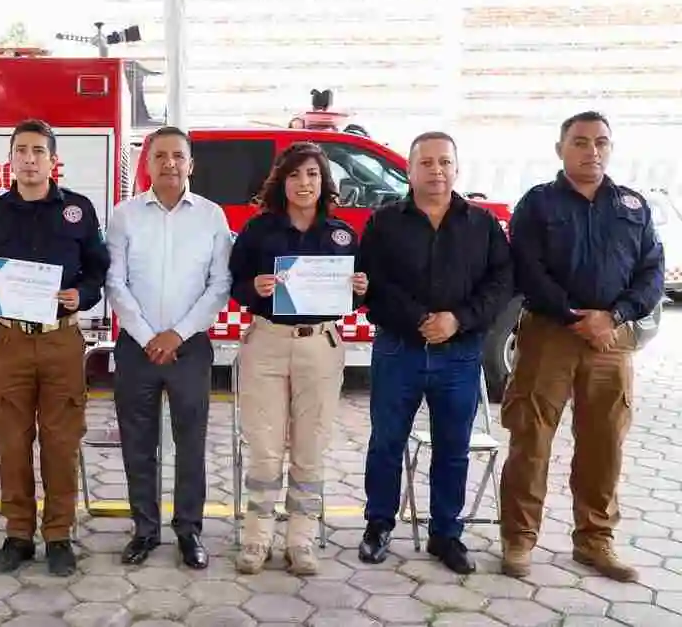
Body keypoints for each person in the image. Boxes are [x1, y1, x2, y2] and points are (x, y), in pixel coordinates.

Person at [498, 111, 663, 583]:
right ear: (561, 149)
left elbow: (652, 271)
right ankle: (519, 538)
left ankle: (595, 539)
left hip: (611, 338)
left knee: (604, 443)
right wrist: (574, 315)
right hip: (550, 334)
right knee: (531, 437)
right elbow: (526, 268)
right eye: (581, 142)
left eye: (601, 142)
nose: (592, 150)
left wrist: (613, 316)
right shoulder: (539, 203)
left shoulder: (632, 206)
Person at [356, 131, 513, 574]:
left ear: (457, 168)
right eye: (426, 163)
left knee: (452, 448)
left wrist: (457, 320)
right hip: (398, 349)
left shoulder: (481, 225)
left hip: (459, 356)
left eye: (444, 162)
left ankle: (446, 534)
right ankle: (378, 525)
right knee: (386, 442)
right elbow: (372, 283)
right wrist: (420, 320)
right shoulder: (384, 222)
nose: (436, 171)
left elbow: (501, 283)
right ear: (409, 170)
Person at [0, 118, 111, 577]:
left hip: (61, 339)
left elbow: (97, 270)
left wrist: (81, 296)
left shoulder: (78, 210)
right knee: (11, 439)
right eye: (21, 151)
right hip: (9, 338)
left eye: (38, 151)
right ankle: (17, 534)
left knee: (61, 440)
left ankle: (59, 534)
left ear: (53, 159)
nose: (29, 159)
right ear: (10, 158)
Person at [228, 142, 368, 575]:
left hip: (320, 347)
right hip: (266, 344)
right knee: (266, 452)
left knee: (310, 449)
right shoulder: (259, 231)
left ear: (325, 180)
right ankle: (256, 538)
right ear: (281, 182)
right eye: (294, 175)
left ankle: (302, 540)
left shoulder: (342, 234)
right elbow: (235, 284)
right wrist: (257, 288)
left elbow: (360, 297)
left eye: (312, 174)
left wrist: (363, 288)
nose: (303, 183)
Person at [104, 126, 230, 569]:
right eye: (160, 156)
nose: (170, 163)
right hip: (136, 348)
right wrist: (147, 336)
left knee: (190, 443)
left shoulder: (212, 217)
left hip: (190, 347)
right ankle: (144, 530)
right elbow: (115, 283)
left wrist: (177, 334)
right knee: (138, 443)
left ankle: (189, 531)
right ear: (148, 163)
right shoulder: (124, 215)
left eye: (178, 156)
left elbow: (220, 285)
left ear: (191, 164)